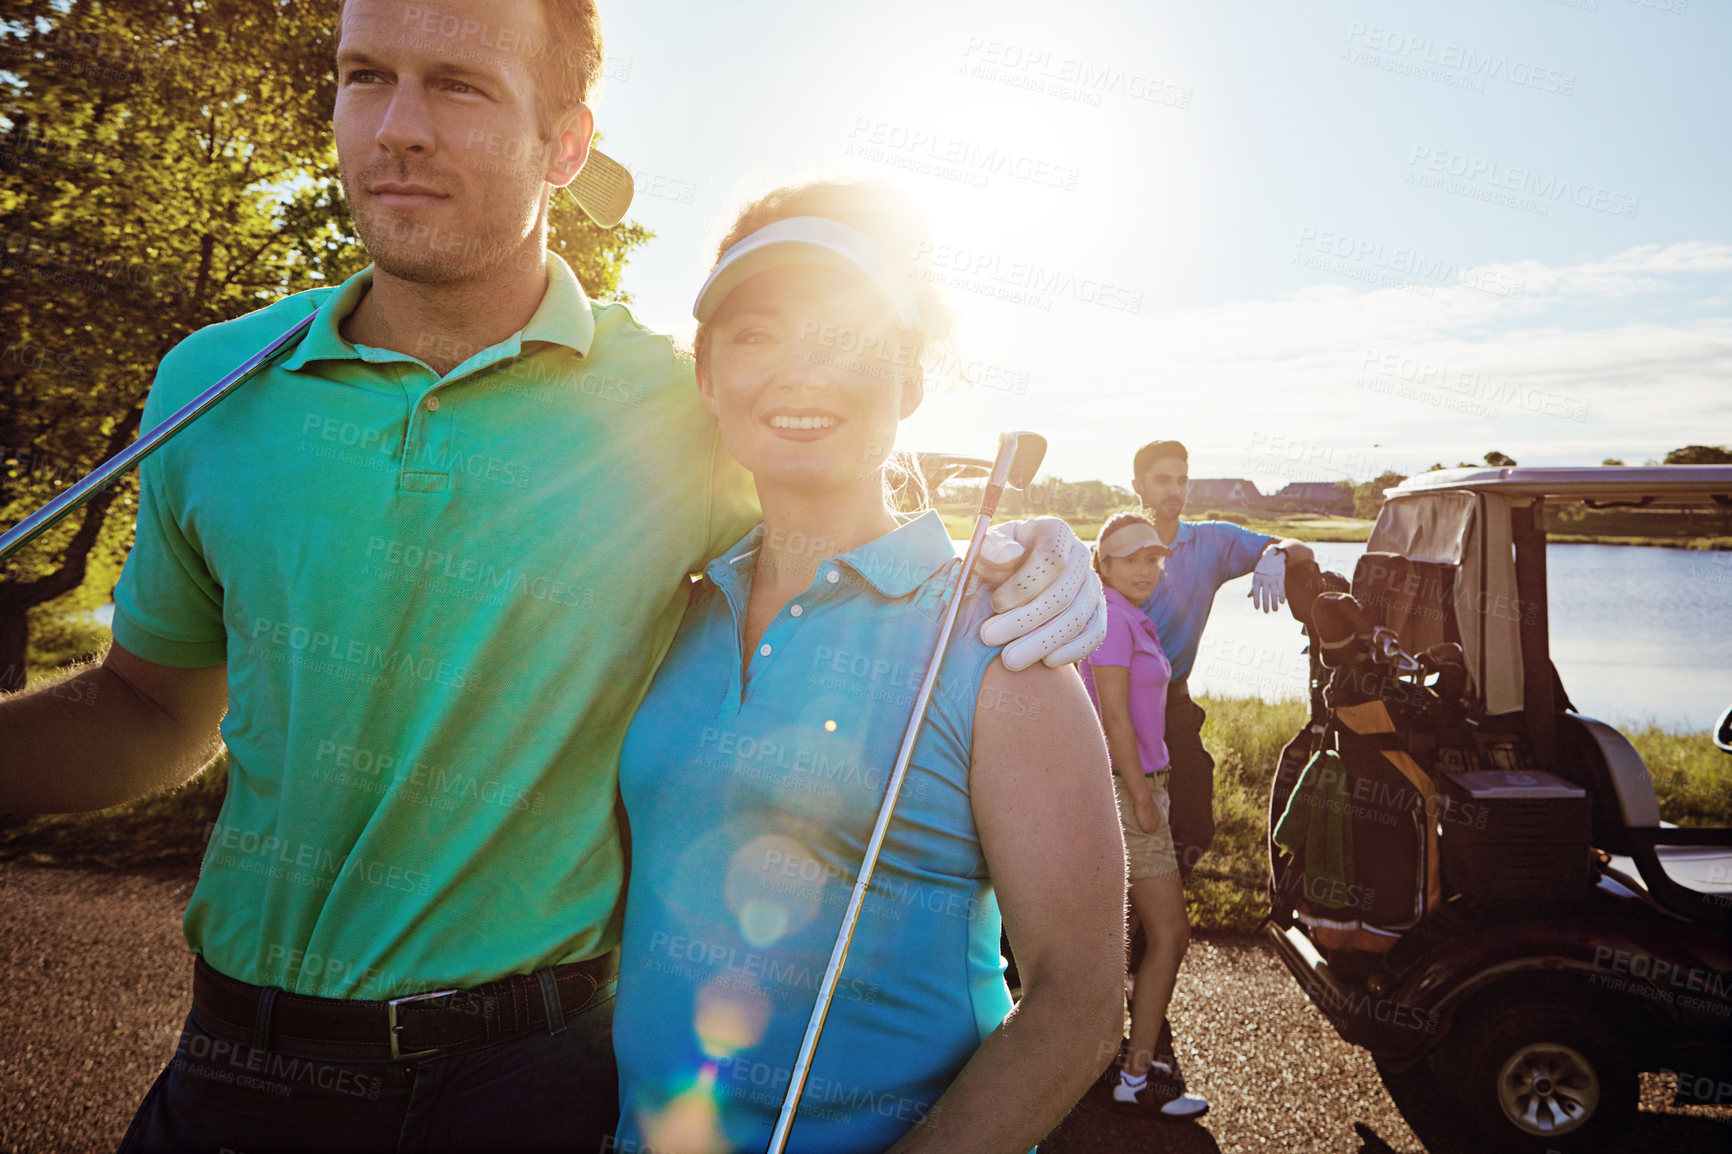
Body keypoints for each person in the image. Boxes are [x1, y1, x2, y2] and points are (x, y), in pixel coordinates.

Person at [0, 3, 1102, 1151]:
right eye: (364, 75)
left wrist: (1032, 549)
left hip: (529, 1082)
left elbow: (834, 457)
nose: (398, 128)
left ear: (567, 144)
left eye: (460, 85)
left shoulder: (674, 408)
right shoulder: (213, 383)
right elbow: (152, 710)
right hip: (235, 1060)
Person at [609, 181, 1126, 1154]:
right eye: (756, 335)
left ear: (910, 383)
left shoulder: (997, 636)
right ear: (708, 378)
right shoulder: (670, 609)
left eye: (845, 337)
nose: (800, 372)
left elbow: (1080, 1000)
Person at [1130, 439, 1314, 876]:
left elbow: (1301, 547)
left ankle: (1156, 919)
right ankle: (1117, 926)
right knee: (1110, 822)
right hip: (1109, 705)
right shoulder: (1116, 543)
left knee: (1193, 825)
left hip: (1172, 704)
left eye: (1181, 480)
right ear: (1137, 485)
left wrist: (1278, 553)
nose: (1174, 489)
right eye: (1162, 480)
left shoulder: (1210, 540)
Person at [1077, 510, 1209, 1122]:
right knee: (1170, 934)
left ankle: (1134, 1055)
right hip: (1126, 792)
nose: (1146, 569)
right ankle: (1135, 1077)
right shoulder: (1109, 621)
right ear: (1102, 563)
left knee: (1132, 935)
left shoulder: (1131, 618)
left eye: (1153, 557)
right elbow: (1113, 719)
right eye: (1130, 558)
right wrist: (1140, 796)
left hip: (1140, 787)